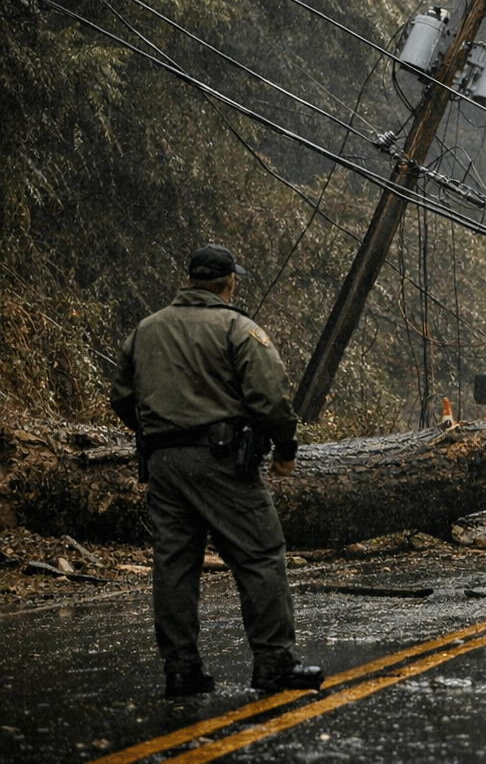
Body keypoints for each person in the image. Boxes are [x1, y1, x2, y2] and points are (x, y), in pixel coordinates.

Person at [110, 244, 324, 699]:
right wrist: (285, 448)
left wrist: (159, 431)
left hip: (163, 464)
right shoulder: (237, 327)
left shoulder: (146, 330)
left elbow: (121, 397)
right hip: (224, 461)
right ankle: (274, 664)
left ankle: (181, 669)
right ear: (228, 283)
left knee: (174, 565)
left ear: (188, 280)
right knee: (260, 555)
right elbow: (272, 400)